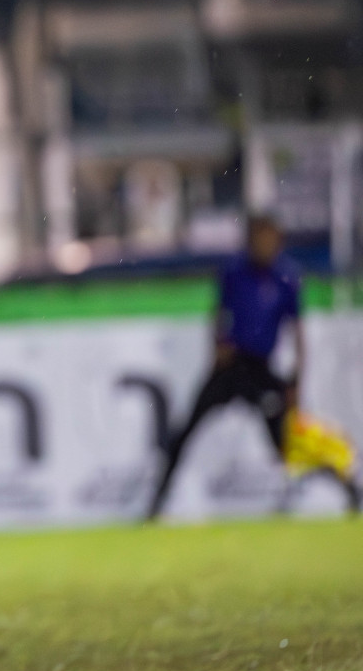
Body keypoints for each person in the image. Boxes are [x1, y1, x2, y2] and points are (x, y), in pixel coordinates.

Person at [146, 213, 357, 518]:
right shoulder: (234, 272)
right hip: (231, 366)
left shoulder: (287, 277)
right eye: (257, 238)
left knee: (287, 445)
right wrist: (218, 347)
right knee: (187, 430)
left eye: (268, 238)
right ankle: (157, 503)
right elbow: (219, 315)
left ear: (278, 240)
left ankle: (345, 484)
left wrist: (296, 380)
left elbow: (297, 332)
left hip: (260, 370)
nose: (262, 245)